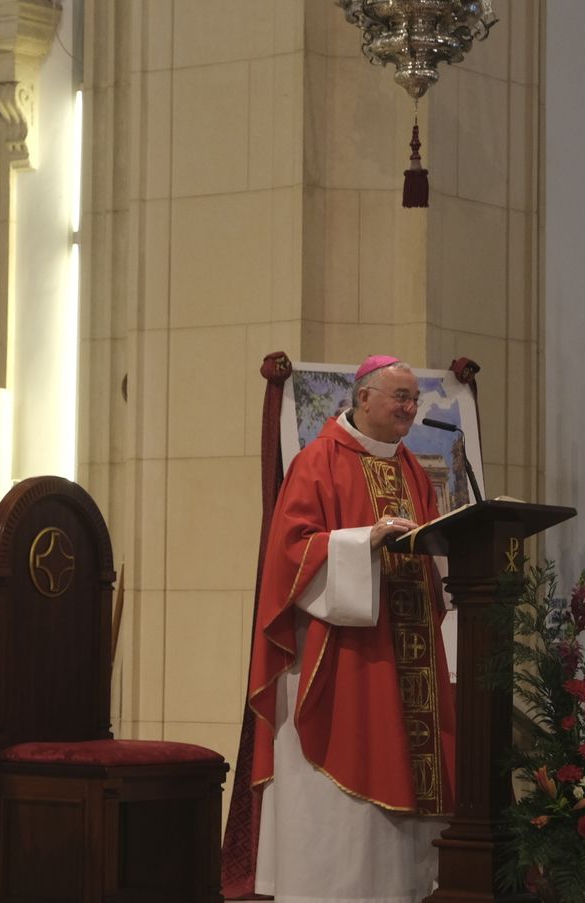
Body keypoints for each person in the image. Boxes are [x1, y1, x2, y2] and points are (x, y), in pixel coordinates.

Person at [246, 355, 457, 902]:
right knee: (341, 808)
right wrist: (364, 541)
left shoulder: (412, 468)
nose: (411, 408)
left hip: (403, 654)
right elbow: (290, 551)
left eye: (415, 398)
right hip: (340, 656)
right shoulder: (318, 462)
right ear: (363, 399)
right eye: (400, 397)